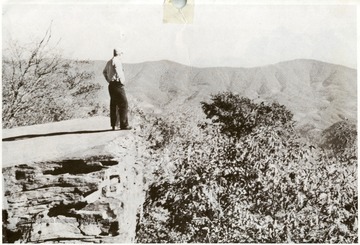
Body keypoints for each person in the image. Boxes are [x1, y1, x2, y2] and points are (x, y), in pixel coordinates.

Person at [103, 48, 132, 130]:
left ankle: (113, 124)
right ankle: (124, 125)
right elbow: (118, 71)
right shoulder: (117, 61)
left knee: (113, 104)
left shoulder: (109, 61)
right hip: (117, 84)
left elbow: (104, 72)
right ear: (119, 54)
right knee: (124, 103)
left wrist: (108, 80)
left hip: (111, 85)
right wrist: (122, 81)